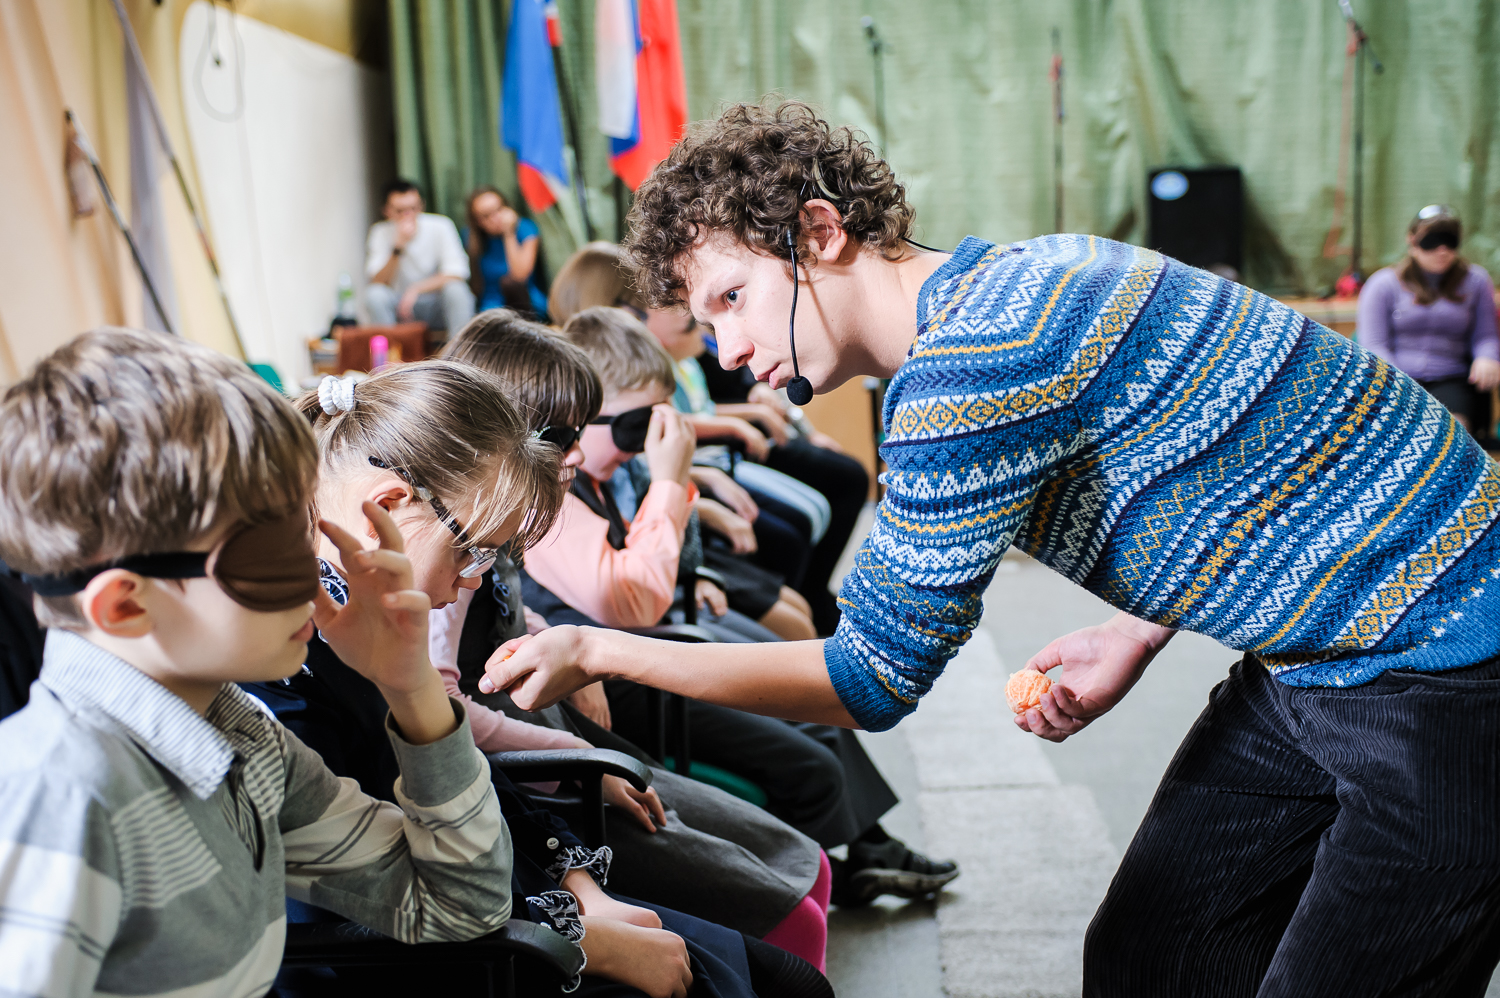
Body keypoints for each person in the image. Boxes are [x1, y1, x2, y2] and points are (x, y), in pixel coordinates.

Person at [483, 100, 1500, 996]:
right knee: (1155, 955)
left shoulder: (967, 370)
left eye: (733, 298)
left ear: (820, 233)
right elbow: (1257, 452)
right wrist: (1137, 629)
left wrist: (602, 649)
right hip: (1322, 656)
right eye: (704, 321)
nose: (728, 349)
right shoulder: (1022, 275)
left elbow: (868, 678)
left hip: (1451, 663)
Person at [249, 361, 831, 996]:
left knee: (783, 971)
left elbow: (465, 774)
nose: (474, 577)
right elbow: (373, 900)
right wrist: (576, 936)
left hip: (492, 906)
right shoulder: (286, 665)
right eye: (469, 550)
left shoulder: (368, 624)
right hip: (425, 955)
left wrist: (577, 888)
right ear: (387, 508)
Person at [0, 329, 513, 996]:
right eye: (271, 556)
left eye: (306, 526)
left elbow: (460, 905)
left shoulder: (239, 735)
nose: (319, 576)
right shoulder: (58, 798)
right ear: (126, 606)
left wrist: (410, 684)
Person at [501, 305, 957, 904]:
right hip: (625, 666)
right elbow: (633, 600)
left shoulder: (598, 470)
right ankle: (809, 878)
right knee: (809, 754)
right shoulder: (557, 494)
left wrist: (671, 484)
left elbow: (673, 563)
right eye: (634, 425)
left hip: (642, 641)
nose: (581, 450)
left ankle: (853, 851)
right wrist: (669, 481)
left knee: (806, 698)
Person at [550, 242, 865, 633]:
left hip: (674, 556)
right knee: (790, 572)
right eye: (659, 302)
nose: (681, 312)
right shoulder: (568, 487)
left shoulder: (624, 435)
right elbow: (635, 594)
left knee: (798, 597)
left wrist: (684, 499)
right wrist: (678, 485)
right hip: (661, 581)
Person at [1358, 203, 1499, 434]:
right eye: (1432, 242)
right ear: (1412, 241)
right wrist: (1399, 384)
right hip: (1398, 378)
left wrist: (1487, 357)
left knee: (1451, 433)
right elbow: (1374, 344)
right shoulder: (1383, 284)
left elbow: (1485, 335)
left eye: (1450, 241)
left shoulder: (1476, 281)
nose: (1442, 251)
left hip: (1451, 378)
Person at [364, 178, 475, 339]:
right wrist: (397, 248)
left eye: (413, 208)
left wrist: (415, 289)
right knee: (374, 294)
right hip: (398, 307)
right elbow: (377, 281)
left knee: (457, 290)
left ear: (421, 205)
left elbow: (458, 272)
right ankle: (388, 359)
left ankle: (460, 356)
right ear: (387, 211)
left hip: (436, 304)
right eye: (400, 211)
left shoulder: (441, 225)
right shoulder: (380, 232)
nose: (408, 215)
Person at [464, 185, 550, 319]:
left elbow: (519, 276)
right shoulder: (471, 239)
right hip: (491, 307)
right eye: (486, 216)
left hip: (527, 302)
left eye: (499, 209)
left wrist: (509, 234)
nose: (496, 218)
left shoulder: (525, 228)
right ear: (477, 222)